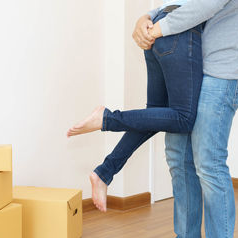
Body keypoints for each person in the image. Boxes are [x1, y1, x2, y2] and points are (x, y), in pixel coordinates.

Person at [135, 1, 238, 238]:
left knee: (208, 163)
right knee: (178, 157)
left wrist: (155, 30)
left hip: (221, 73)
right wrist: (146, 17)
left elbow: (203, 6)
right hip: (191, 66)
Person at [67, 0, 204, 213]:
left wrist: (148, 20)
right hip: (179, 30)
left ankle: (104, 172)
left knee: (154, 114)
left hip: (159, 28)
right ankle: (107, 119)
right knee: (184, 117)